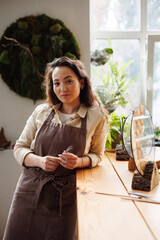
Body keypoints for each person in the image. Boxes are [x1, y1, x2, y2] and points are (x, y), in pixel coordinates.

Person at [4, 57, 109, 240]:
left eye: (68, 81)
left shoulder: (96, 117)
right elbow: (19, 147)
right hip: (29, 191)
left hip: (65, 197)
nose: (63, 88)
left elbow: (98, 155)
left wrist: (79, 162)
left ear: (81, 82)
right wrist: (40, 161)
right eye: (57, 83)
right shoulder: (42, 112)